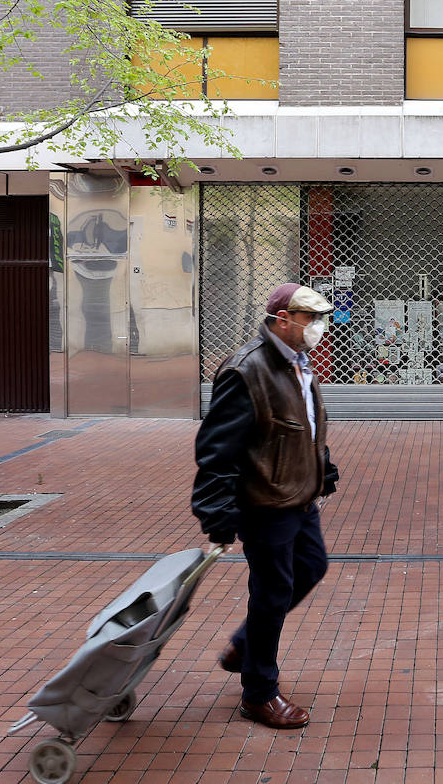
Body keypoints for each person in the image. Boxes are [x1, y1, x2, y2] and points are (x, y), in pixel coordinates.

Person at [191, 282, 340, 729]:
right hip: (266, 502)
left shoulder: (297, 363)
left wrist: (322, 469)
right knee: (272, 594)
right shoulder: (247, 370)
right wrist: (216, 513)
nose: (316, 327)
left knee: (312, 567)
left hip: (298, 496)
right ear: (282, 320)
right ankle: (259, 693)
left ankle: (245, 645)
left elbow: (302, 426)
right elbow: (217, 450)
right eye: (308, 319)